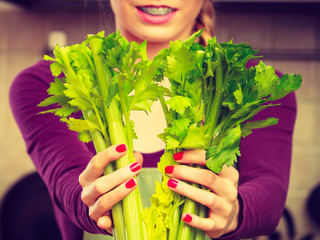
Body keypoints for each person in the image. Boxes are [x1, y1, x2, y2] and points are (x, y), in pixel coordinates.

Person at [9, 0, 297, 239]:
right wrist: (91, 203)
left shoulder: (253, 85)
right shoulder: (50, 81)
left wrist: (234, 212)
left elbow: (268, 194)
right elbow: (67, 181)